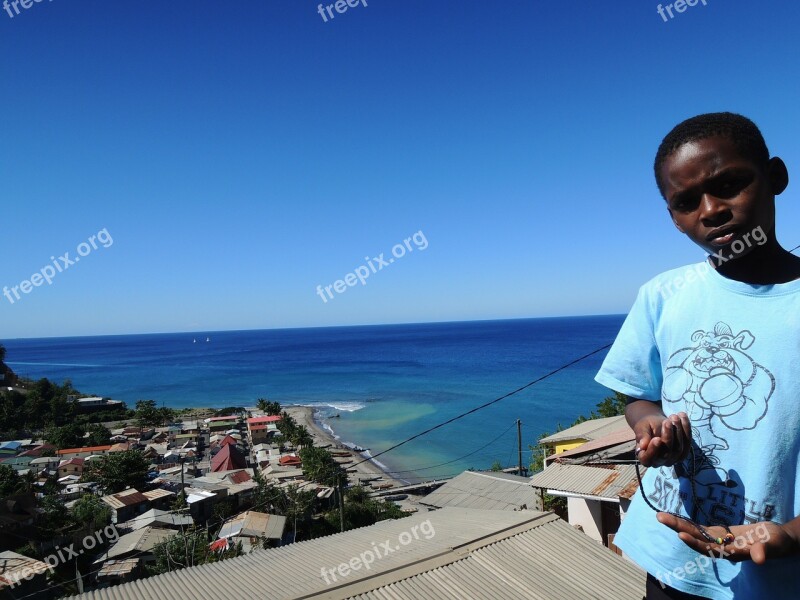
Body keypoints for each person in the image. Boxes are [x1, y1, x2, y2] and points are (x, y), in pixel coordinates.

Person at [595, 112, 800, 599]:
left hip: (775, 576)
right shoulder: (664, 295)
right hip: (673, 559)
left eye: (729, 184)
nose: (710, 210)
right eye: (686, 202)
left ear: (775, 177)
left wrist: (788, 536)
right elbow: (640, 397)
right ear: (673, 216)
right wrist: (651, 427)